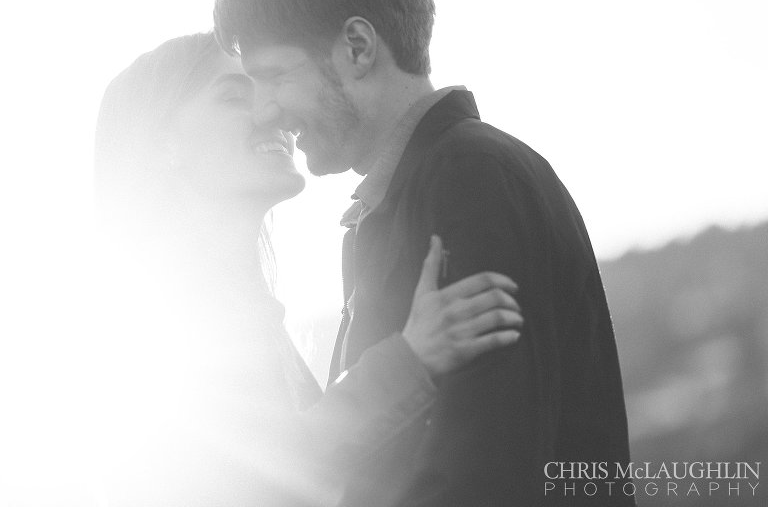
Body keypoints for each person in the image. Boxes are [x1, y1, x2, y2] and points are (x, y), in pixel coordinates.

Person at [213, 0, 635, 505]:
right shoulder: (406, 197)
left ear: (358, 46)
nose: (266, 110)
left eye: (276, 76)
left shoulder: (469, 175)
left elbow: (490, 463)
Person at [94, 32, 523, 506]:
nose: (270, 112)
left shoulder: (248, 310)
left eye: (268, 88)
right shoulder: (166, 311)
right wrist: (410, 359)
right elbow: (250, 480)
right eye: (235, 97)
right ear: (163, 143)